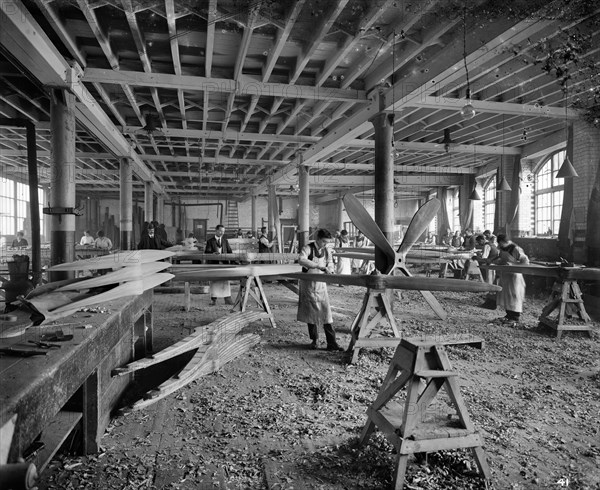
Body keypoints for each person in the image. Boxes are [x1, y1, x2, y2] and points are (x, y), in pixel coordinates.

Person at [297, 228, 343, 351]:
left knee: (326, 315)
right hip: (308, 286)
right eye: (323, 241)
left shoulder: (326, 250)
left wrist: (331, 271)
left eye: (327, 242)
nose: (325, 244)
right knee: (311, 315)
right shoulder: (308, 248)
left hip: (321, 287)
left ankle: (331, 343)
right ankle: (314, 340)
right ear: (317, 239)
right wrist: (318, 266)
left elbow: (330, 263)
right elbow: (301, 260)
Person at [491, 234, 529, 324]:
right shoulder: (502, 247)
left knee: (514, 295)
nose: (499, 245)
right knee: (506, 295)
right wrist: (494, 261)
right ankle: (509, 315)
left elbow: (525, 261)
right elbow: (501, 257)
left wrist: (514, 265)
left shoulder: (515, 248)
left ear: (504, 242)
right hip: (506, 275)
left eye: (500, 243)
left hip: (515, 275)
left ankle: (515, 316)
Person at [204, 224, 234, 306]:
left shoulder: (225, 241)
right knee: (214, 282)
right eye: (220, 231)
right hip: (214, 264)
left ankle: (227, 299)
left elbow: (230, 252)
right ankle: (213, 300)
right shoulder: (210, 241)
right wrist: (213, 253)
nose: (222, 233)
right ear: (216, 230)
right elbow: (207, 252)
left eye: (223, 231)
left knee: (225, 281)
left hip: (224, 264)